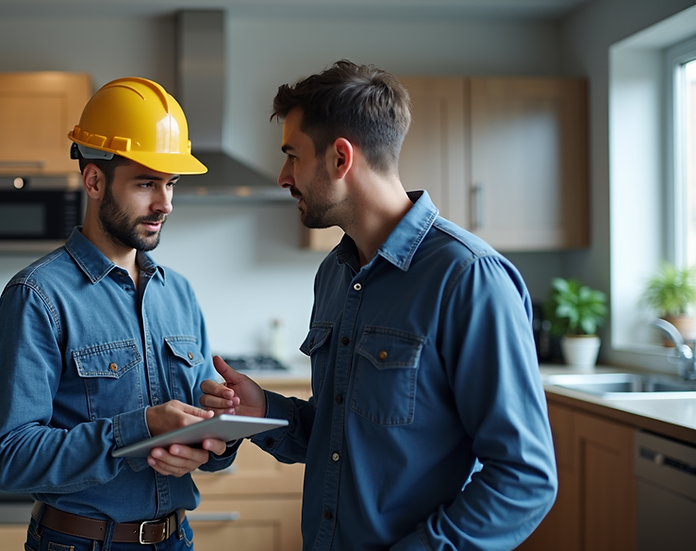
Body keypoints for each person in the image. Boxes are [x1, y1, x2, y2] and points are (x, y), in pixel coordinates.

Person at [200, 60, 558, 550]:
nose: (283, 176)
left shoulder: (468, 278)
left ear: (340, 159)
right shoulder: (334, 275)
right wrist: (265, 410)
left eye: (292, 156)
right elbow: (342, 440)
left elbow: (525, 479)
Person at [0, 76, 237, 551]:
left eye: (170, 184)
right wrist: (139, 429)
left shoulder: (178, 293)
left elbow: (207, 443)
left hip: (176, 540)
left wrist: (218, 434)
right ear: (94, 180)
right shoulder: (37, 297)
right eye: (146, 183)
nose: (164, 204)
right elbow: (10, 457)